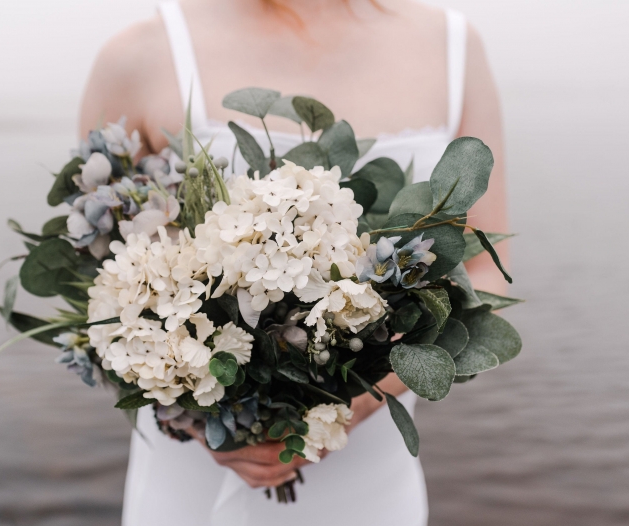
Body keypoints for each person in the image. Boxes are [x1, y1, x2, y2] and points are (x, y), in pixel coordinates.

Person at [79, 0, 509, 524]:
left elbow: (486, 275)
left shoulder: (453, 47)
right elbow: (95, 276)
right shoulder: (139, 54)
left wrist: (354, 403)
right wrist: (202, 415)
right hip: (190, 473)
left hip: (365, 473)